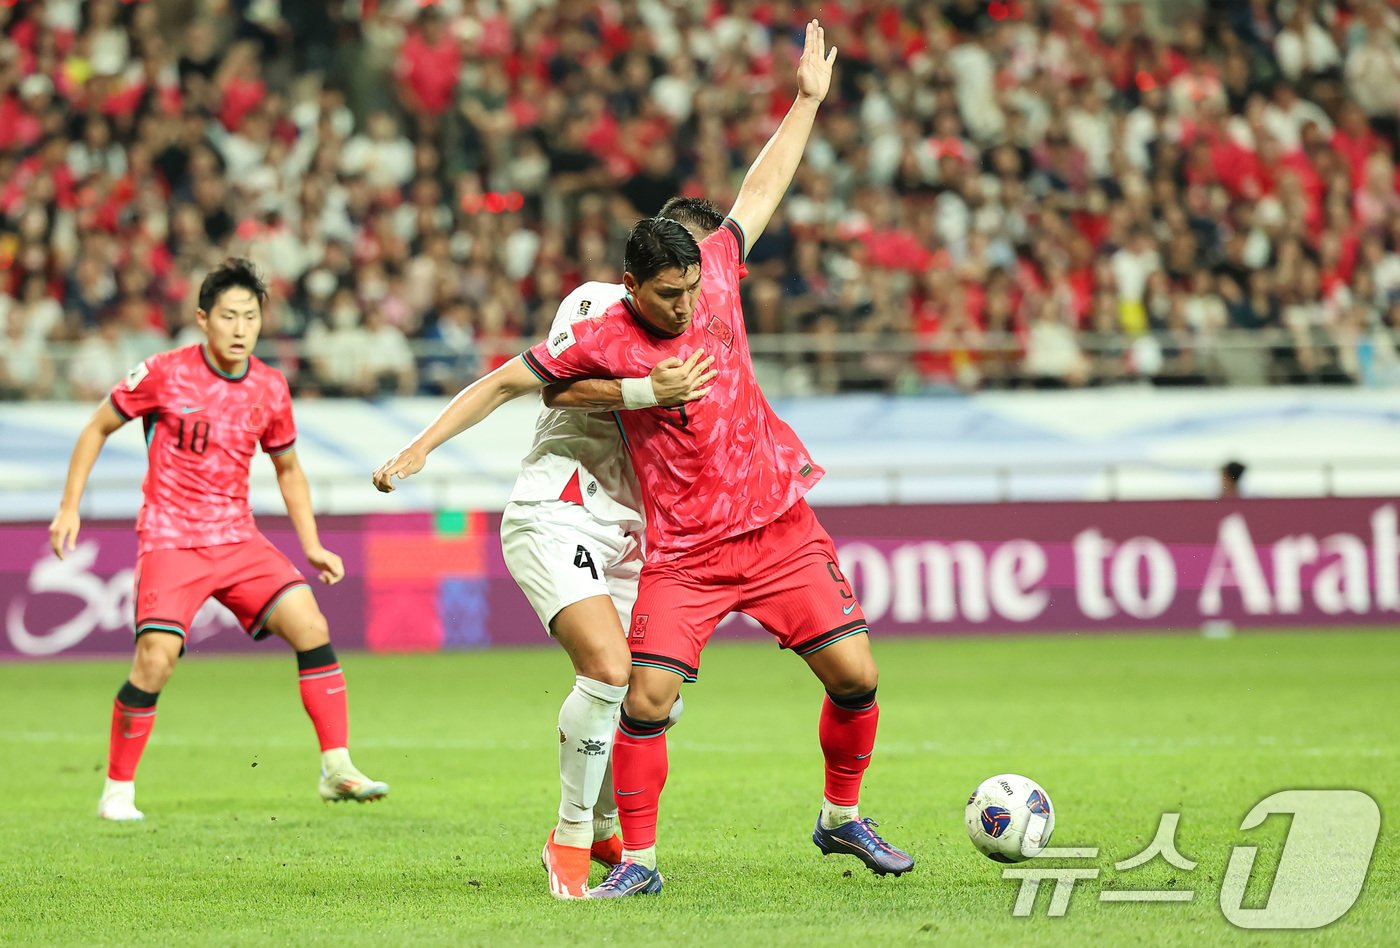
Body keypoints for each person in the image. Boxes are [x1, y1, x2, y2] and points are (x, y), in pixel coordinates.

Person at [373, 21, 912, 897]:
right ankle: (636, 865)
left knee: (858, 676)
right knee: (646, 699)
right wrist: (420, 447)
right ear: (632, 289)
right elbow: (512, 384)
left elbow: (764, 181)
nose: (686, 305)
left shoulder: (718, 271)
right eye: (669, 295)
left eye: (691, 288)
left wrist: (806, 103)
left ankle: (841, 818)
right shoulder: (605, 335)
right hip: (687, 550)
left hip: (777, 521)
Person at [49, 258, 388, 822]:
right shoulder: (161, 372)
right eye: (228, 316)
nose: (239, 328)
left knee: (311, 625)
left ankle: (337, 767)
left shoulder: (270, 387)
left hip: (237, 538)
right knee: (156, 660)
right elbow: (97, 427)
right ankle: (117, 790)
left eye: (250, 317)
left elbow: (288, 469)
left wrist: (311, 543)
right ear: (202, 319)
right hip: (171, 538)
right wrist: (69, 506)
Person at [505, 198, 721, 900]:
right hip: (564, 501)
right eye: (679, 269)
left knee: (656, 700)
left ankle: (600, 826)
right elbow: (555, 390)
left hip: (637, 528)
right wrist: (642, 389)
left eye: (701, 271)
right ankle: (567, 838)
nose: (692, 285)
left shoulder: (711, 336)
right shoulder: (596, 302)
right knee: (606, 670)